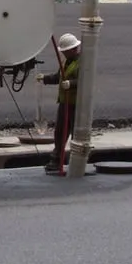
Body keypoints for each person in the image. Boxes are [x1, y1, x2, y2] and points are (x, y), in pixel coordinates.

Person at [36, 33, 81, 174]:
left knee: (77, 134)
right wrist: (45, 79)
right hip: (64, 103)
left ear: (73, 49)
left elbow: (85, 81)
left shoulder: (82, 64)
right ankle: (56, 160)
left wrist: (72, 84)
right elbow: (58, 77)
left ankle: (78, 161)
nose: (64, 53)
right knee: (60, 132)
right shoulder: (66, 62)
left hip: (77, 105)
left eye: (66, 51)